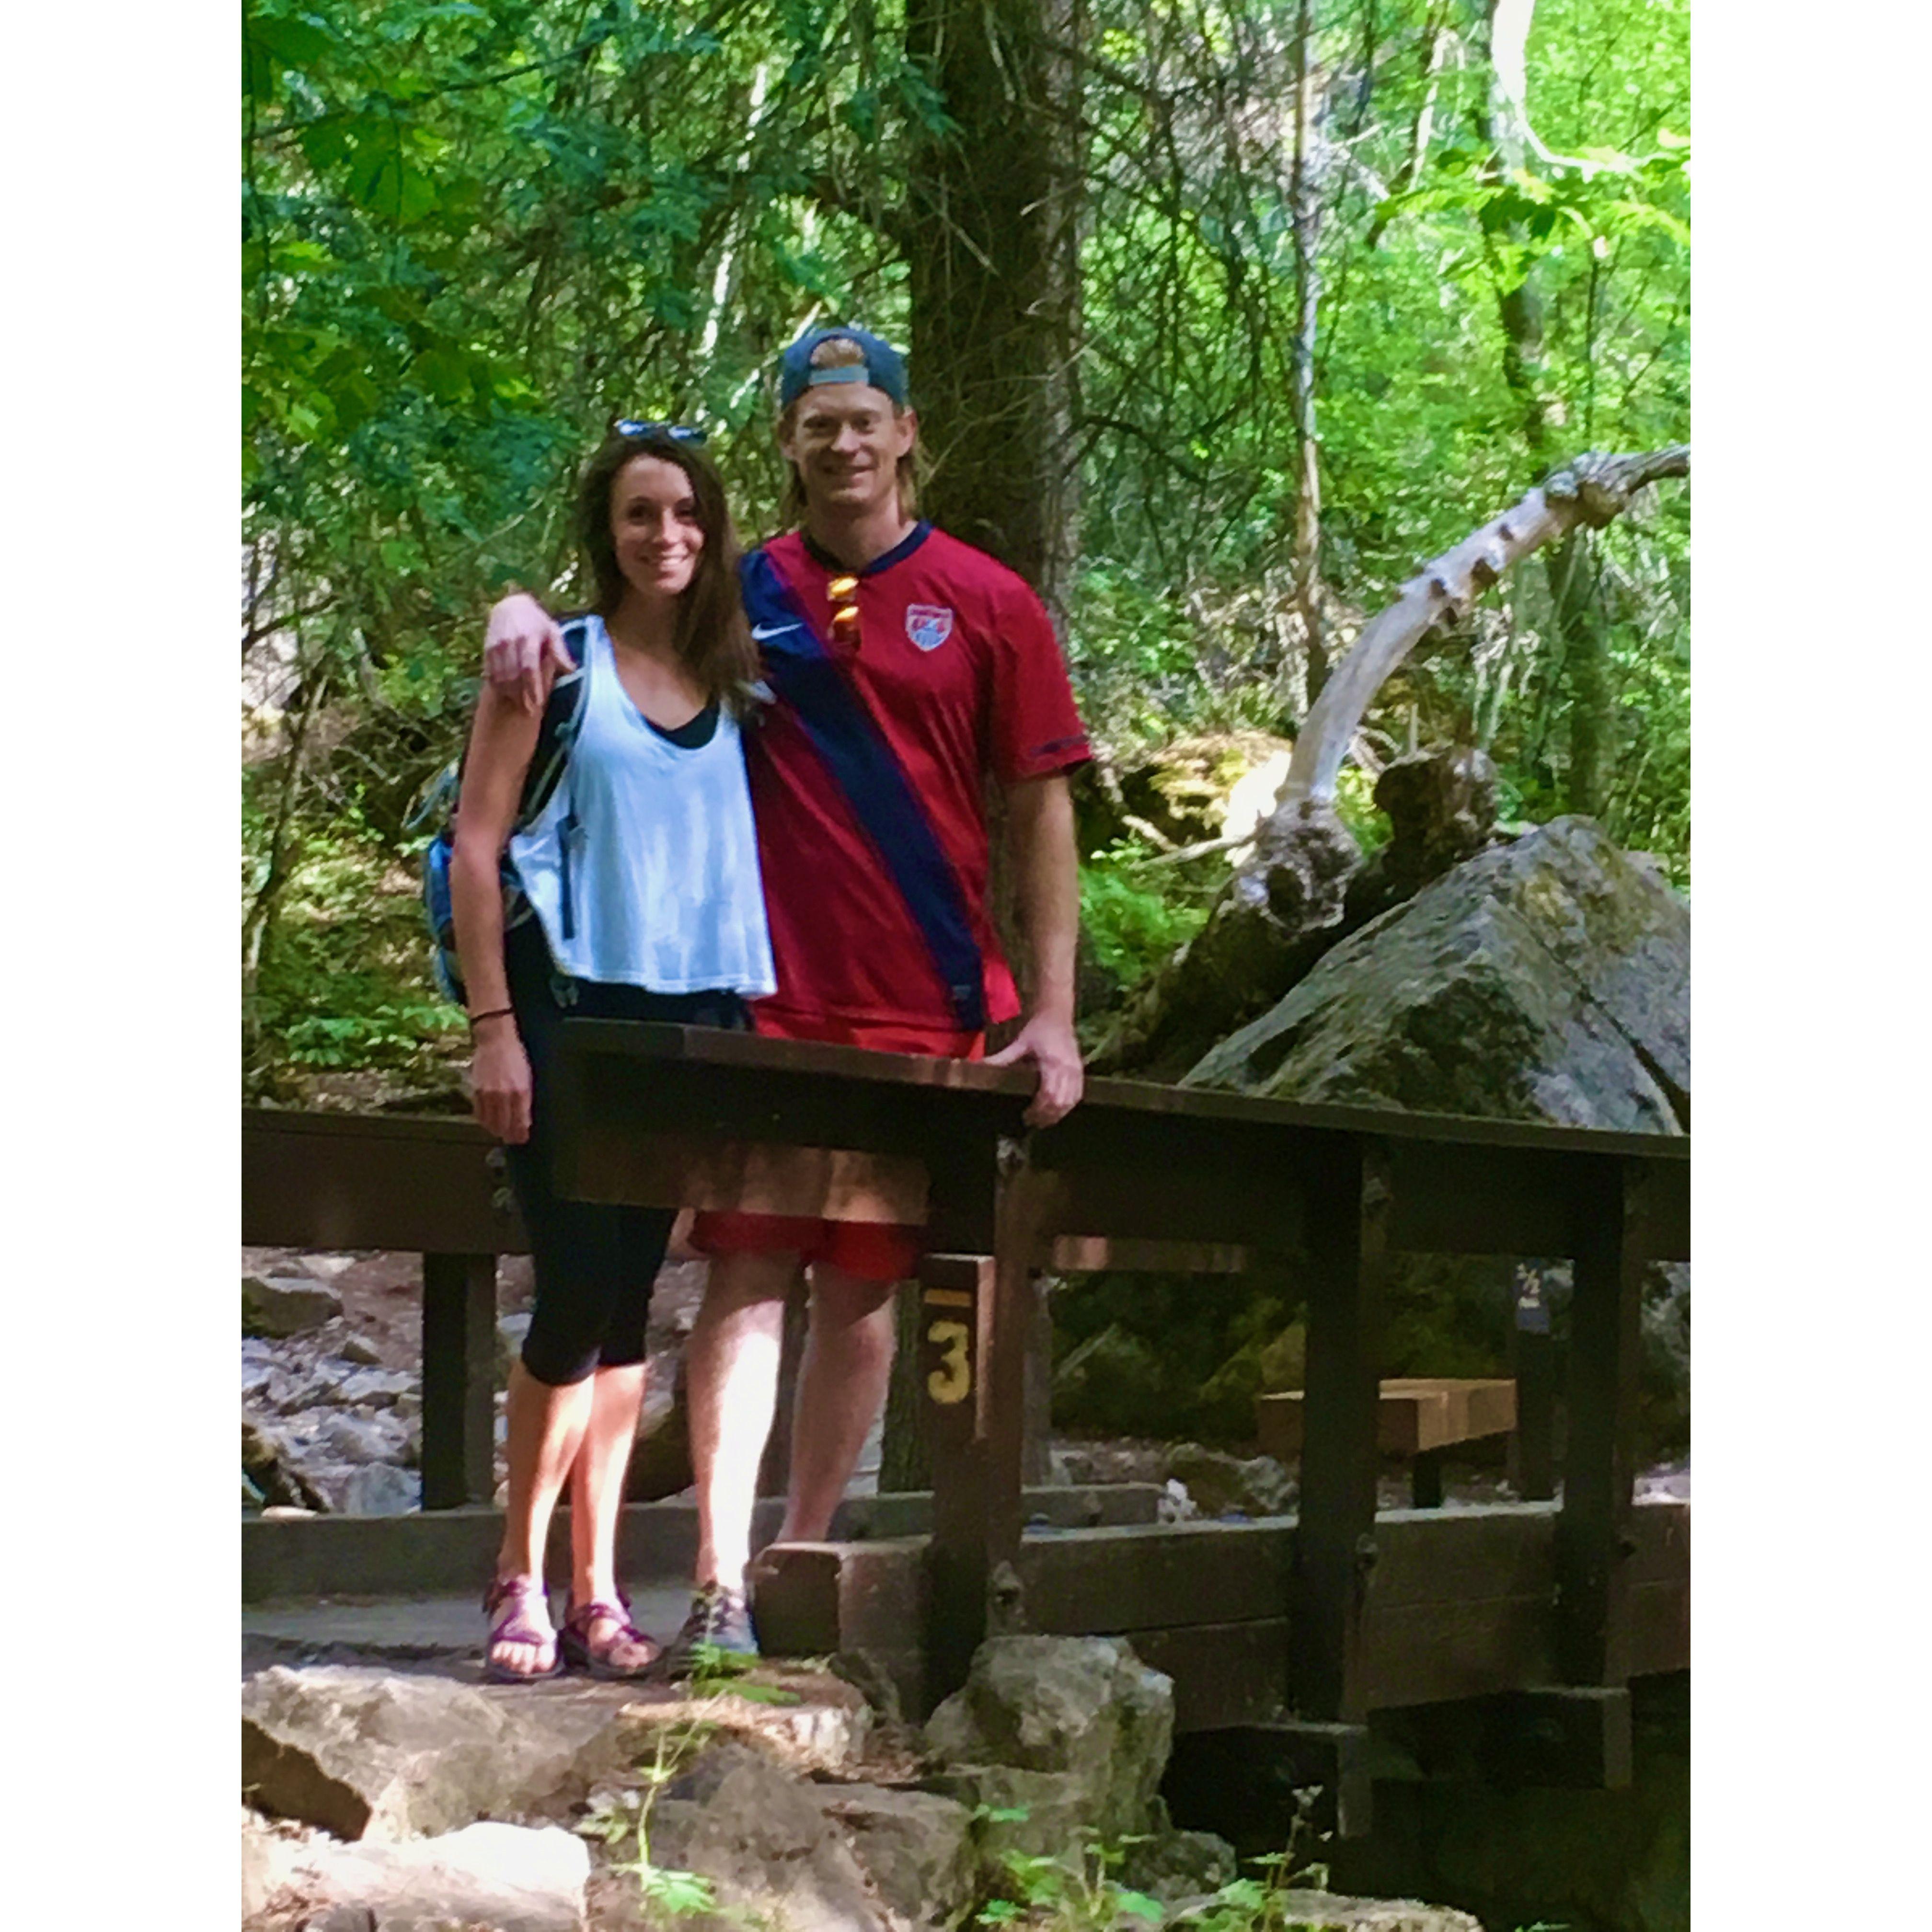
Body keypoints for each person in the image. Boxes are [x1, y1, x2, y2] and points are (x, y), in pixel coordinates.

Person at [482, 325, 1090, 1674]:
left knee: (866, 1297)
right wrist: (515, 605)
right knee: (745, 1281)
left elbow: (1040, 808)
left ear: (907, 432)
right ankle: (714, 1577)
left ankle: (797, 1553)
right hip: (763, 998)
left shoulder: (990, 603)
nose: (844, 443)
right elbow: (613, 634)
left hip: (925, 1000)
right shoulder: (736, 594)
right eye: (817, 424)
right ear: (791, 446)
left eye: (865, 418)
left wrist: (1050, 1011)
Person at [452, 421, 774, 1681]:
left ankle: (599, 1592)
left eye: (687, 513)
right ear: (610, 533)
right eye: (642, 514)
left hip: (691, 1028)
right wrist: (493, 1031)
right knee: (577, 1285)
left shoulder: (740, 681)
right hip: (566, 1011)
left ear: (714, 530)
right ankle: (518, 1578)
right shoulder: (554, 666)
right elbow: (480, 844)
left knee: (637, 1294)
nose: (667, 536)